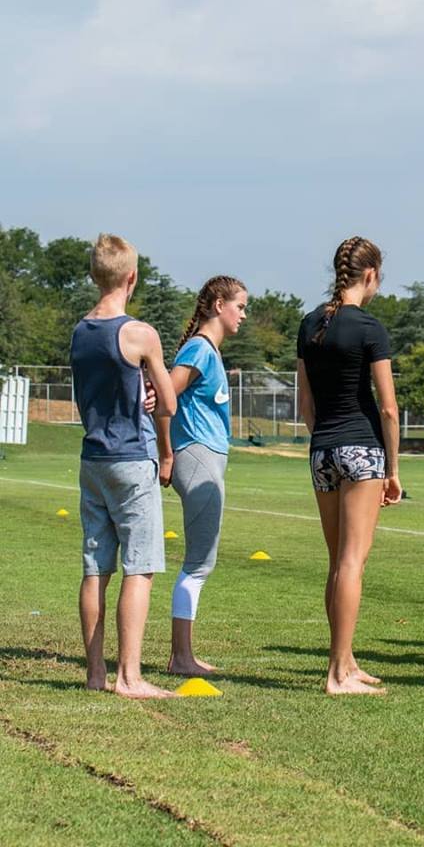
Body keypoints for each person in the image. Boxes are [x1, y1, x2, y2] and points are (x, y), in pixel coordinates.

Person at [70, 233, 177, 699]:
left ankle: (95, 672)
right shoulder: (139, 333)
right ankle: (129, 677)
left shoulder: (80, 330)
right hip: (132, 459)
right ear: (131, 276)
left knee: (96, 568)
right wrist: (153, 392)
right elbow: (168, 403)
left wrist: (141, 391)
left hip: (92, 458)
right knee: (140, 567)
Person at [296, 237, 402, 695]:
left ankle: (347, 659)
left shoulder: (309, 323)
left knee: (337, 563)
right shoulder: (369, 327)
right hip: (362, 450)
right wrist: (393, 468)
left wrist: (324, 439)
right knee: (352, 563)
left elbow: (306, 402)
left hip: (322, 451)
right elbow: (389, 408)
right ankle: (338, 673)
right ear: (371, 274)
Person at [155, 276, 248, 677]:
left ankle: (183, 654)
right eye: (240, 306)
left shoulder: (207, 350)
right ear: (217, 305)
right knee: (198, 563)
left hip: (206, 459)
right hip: (198, 458)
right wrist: (166, 454)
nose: (243, 315)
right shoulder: (199, 349)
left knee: (200, 563)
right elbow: (164, 397)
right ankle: (181, 657)